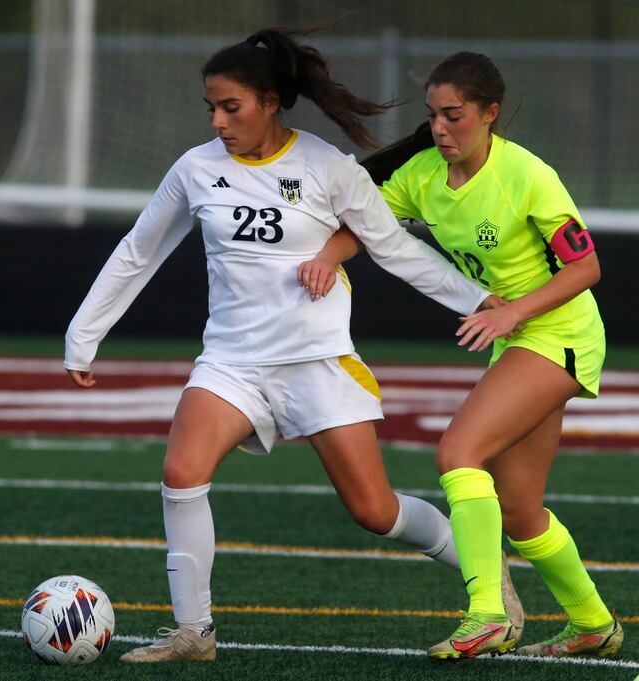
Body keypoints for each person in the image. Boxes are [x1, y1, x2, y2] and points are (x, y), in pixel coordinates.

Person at [65, 32, 517, 664]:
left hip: (317, 361)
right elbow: (138, 251)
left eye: (232, 107)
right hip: (231, 362)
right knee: (180, 473)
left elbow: (394, 247)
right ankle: (195, 633)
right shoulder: (195, 170)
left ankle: (486, 570)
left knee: (375, 511)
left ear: (271, 101)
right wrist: (82, 338)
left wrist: (475, 299)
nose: (218, 122)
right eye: (211, 108)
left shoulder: (327, 167)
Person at [299, 51, 623, 661]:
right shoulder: (422, 175)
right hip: (519, 338)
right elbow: (367, 227)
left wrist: (511, 312)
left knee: (459, 451)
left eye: (455, 116)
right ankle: (594, 624)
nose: (441, 129)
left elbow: (587, 266)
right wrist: (328, 257)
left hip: (559, 334)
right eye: (434, 117)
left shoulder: (528, 175)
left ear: (489, 114)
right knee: (522, 510)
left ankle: (487, 615)